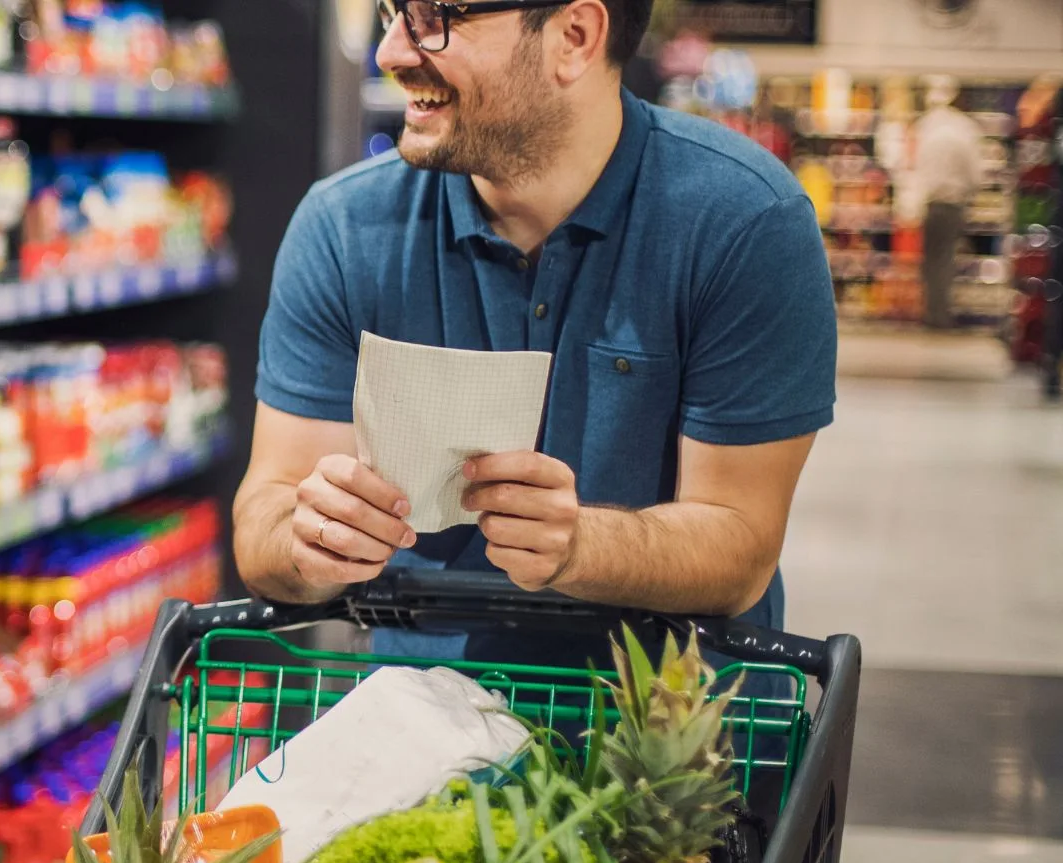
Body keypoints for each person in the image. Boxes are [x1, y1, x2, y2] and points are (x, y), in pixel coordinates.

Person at [232, 0, 837, 664]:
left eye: (437, 17)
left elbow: (740, 542)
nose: (392, 52)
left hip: (677, 742)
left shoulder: (744, 222)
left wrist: (577, 545)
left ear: (574, 37)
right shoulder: (344, 228)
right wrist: (306, 538)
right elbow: (266, 515)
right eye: (390, 12)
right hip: (421, 735)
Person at [912, 74, 986, 330]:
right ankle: (941, 316)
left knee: (931, 261)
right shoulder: (965, 129)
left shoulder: (925, 126)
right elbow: (975, 172)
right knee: (945, 259)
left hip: (931, 203)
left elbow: (916, 168)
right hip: (953, 202)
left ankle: (932, 313)